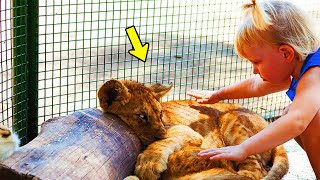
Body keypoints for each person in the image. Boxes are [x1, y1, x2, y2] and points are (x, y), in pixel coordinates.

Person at [187, 0, 320, 178]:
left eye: (257, 62)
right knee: (292, 112)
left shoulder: (314, 74)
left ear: (286, 53)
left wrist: (244, 148)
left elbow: (297, 121)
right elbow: (256, 85)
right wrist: (218, 95)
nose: (254, 70)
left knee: (309, 119)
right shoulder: (300, 65)